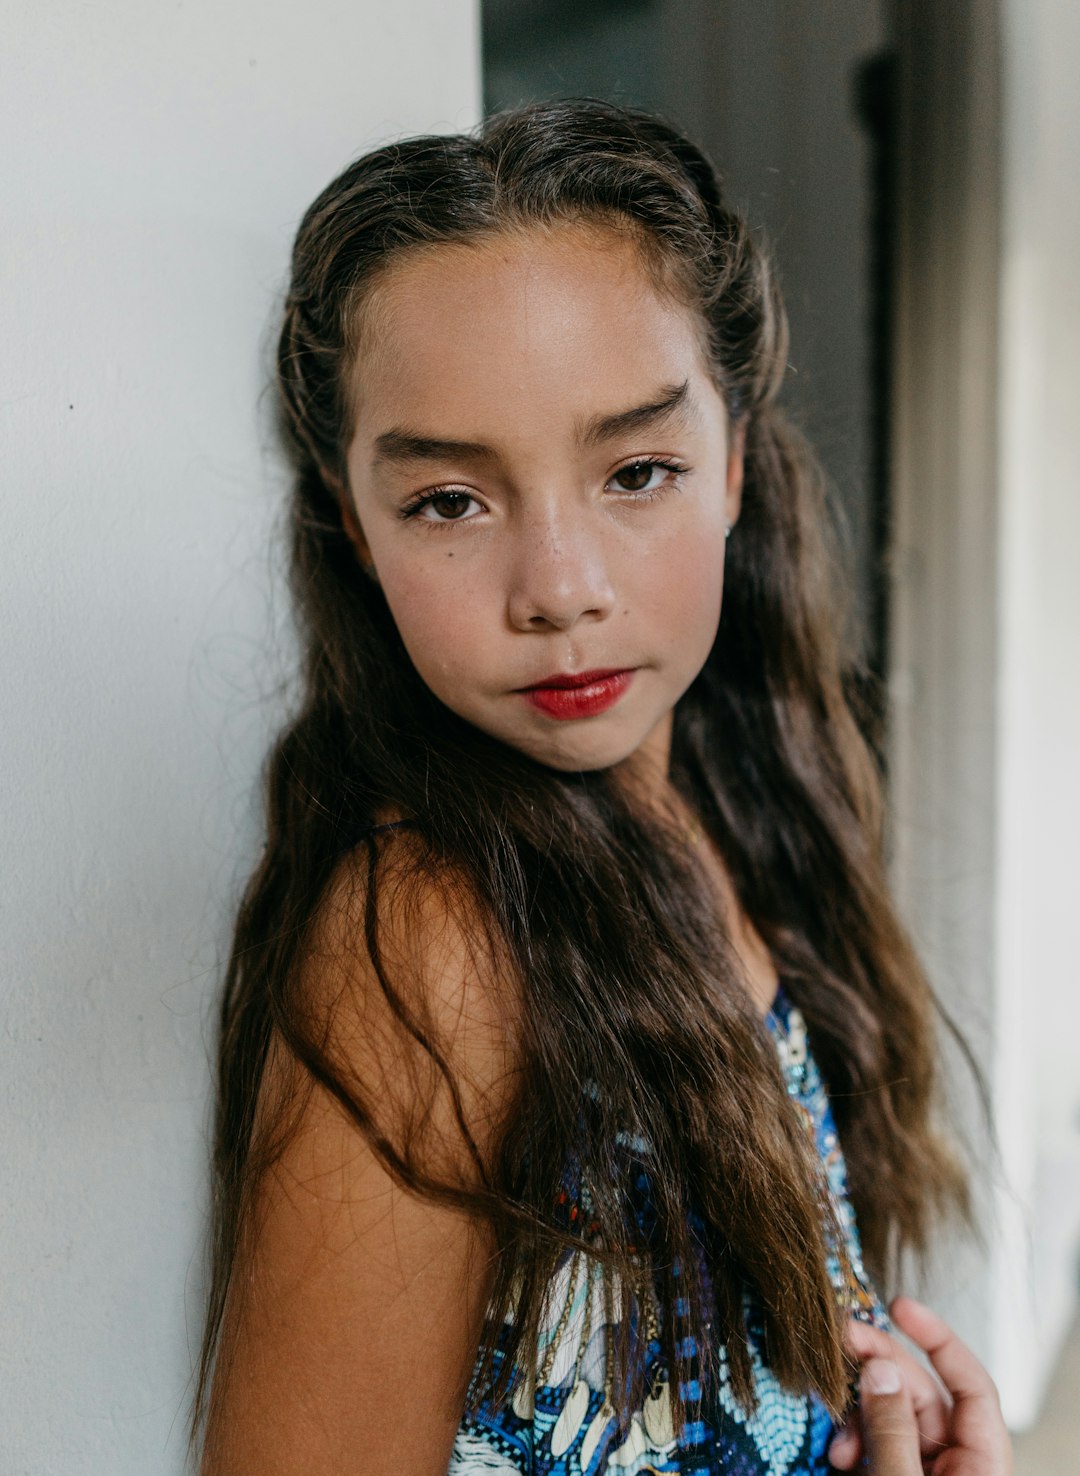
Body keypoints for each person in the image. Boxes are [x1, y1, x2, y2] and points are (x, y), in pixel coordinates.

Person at [190, 100, 1012, 1475]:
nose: (560, 590)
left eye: (637, 471)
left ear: (736, 461)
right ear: (353, 522)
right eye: (451, 500)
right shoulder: (434, 936)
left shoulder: (742, 818)